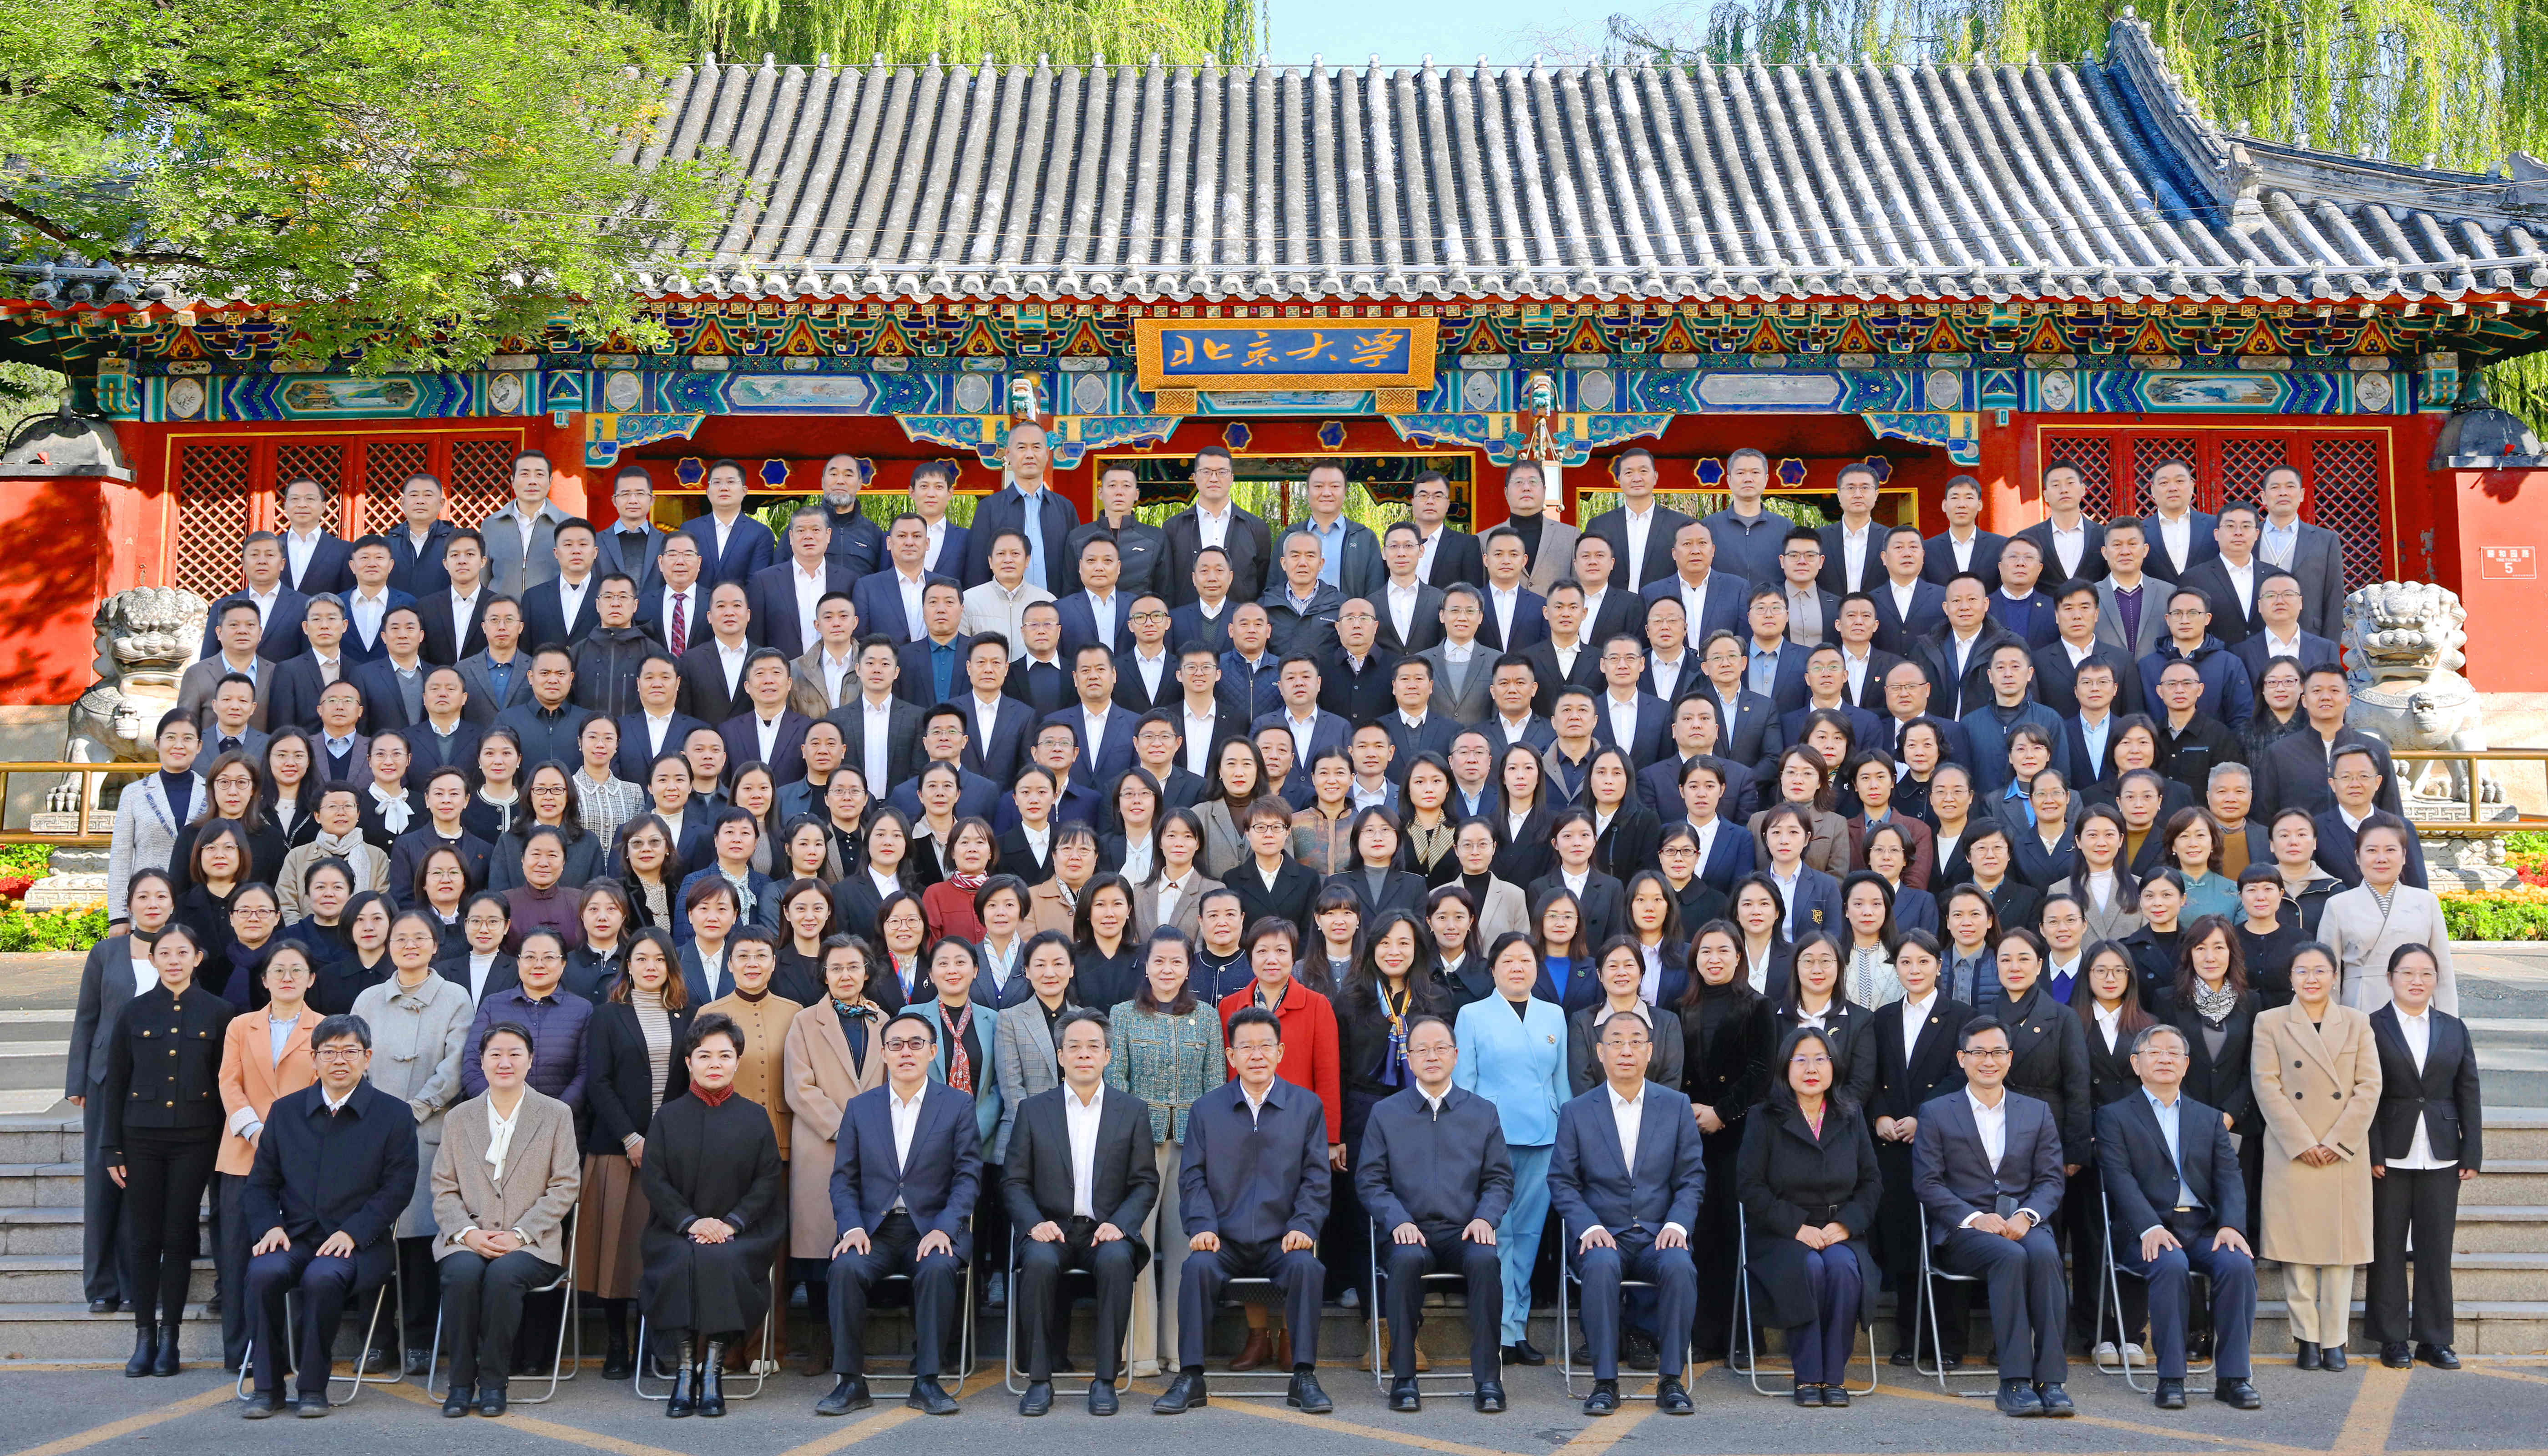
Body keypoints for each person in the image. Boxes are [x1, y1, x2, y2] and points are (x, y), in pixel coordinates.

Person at [1151, 1006, 1335, 1416]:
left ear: (1280, 1052)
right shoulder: (1207, 1109)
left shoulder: (1306, 1107)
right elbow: (1193, 1177)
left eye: (1265, 1046)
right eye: (1246, 1047)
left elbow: (1316, 1178)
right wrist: (1203, 1226)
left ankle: (1304, 1376)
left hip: (1282, 1239)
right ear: (1231, 1056)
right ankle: (1191, 1377)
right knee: (1196, 1268)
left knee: (1307, 1268)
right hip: (1224, 1240)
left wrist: (1304, 1225)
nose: (1256, 1055)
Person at [238, 1013, 418, 1418]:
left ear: (367, 1058)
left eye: (350, 1051)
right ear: (314, 1058)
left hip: (361, 1244)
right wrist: (270, 1226)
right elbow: (261, 1183)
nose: (340, 1060)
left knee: (323, 1277)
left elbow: (397, 1189)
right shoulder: (285, 1112)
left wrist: (353, 1233)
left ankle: (312, 1388)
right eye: (329, 1052)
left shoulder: (393, 1115)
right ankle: (267, 1387)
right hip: (296, 1237)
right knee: (263, 1272)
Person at [819, 1009, 983, 1416]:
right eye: (896, 1045)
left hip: (931, 1228)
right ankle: (850, 1383)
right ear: (884, 1054)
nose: (906, 1052)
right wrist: (851, 1227)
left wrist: (946, 1228)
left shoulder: (957, 1105)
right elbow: (843, 1179)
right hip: (873, 1231)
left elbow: (967, 1177)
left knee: (938, 1268)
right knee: (845, 1268)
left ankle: (927, 1381)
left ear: (932, 1052)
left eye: (915, 1044)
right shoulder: (860, 1108)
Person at [2096, 1021, 2263, 1410]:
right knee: (2170, 1264)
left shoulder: (2209, 1118)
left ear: (2186, 1065)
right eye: (2155, 1052)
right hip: (2144, 1232)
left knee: (2238, 1263)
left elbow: (2230, 1178)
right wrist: (2149, 1226)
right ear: (2136, 1064)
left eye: (2174, 1053)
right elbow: (2119, 1180)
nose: (2165, 1059)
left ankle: (2234, 1378)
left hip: (2201, 1229)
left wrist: (2231, 1226)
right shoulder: (2114, 1116)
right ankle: (2171, 1377)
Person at [1913, 1016, 2074, 1418]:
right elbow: (1927, 1183)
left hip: (2022, 1222)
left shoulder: (2036, 1111)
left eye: (1998, 1052)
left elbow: (2051, 1179)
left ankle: (2051, 1381)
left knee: (2045, 1255)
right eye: (1979, 1052)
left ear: (2010, 1058)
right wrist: (1974, 1218)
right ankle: (2014, 1382)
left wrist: (2028, 1215)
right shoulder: (1936, 1112)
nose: (1989, 1061)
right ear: (1962, 1058)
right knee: (2011, 1256)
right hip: (1964, 1232)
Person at [1003, 1007, 1160, 1416]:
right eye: (1074, 1047)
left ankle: (1105, 1380)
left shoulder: (1132, 1110)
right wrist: (1033, 1224)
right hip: (1050, 1229)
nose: (1084, 1054)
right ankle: (1039, 1381)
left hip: (1105, 1230)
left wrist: (1121, 1224)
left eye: (1094, 1046)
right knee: (1038, 1263)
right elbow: (1014, 1181)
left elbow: (1145, 1182)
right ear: (1060, 1056)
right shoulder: (1034, 1110)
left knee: (1117, 1261)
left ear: (1108, 1055)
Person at [1355, 1012, 1512, 1412]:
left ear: (1455, 1056)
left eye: (1440, 1048)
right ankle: (1404, 1379)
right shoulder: (1387, 1113)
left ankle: (1488, 1380)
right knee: (1407, 1260)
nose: (1431, 1056)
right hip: (1409, 1230)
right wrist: (1398, 1220)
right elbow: (1370, 1181)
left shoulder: (1482, 1112)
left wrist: (1485, 1217)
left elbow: (1499, 1179)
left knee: (1486, 1260)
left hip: (1465, 1230)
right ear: (1408, 1059)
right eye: (1421, 1050)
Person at [1548, 1013, 1704, 1416]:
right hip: (1603, 1234)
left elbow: (1691, 1177)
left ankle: (1671, 1381)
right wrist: (1588, 1227)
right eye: (1616, 1041)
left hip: (1657, 1233)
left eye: (1636, 1041)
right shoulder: (1577, 1111)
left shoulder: (1676, 1106)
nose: (1626, 1050)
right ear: (1600, 1053)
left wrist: (1677, 1224)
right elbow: (1562, 1182)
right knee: (1600, 1265)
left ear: (1650, 1052)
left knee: (1680, 1267)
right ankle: (1605, 1382)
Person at [100, 923, 234, 1377]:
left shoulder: (220, 1012)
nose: (174, 960)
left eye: (182, 952)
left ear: (198, 958)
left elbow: (225, 1083)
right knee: (143, 1237)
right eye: (165, 953)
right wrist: (111, 1147)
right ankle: (144, 1336)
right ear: (153, 959)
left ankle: (171, 1337)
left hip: (196, 1138)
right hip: (140, 1137)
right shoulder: (134, 1011)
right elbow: (116, 1083)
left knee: (178, 1236)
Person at [430, 1023, 582, 1417]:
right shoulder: (459, 1117)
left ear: (531, 1061)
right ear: (481, 1062)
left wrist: (521, 1234)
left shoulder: (556, 1114)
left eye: (515, 1054)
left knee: (503, 1277)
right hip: (467, 1239)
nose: (505, 1062)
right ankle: (459, 1384)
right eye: (495, 1054)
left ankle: (494, 1383)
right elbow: (443, 1188)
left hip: (532, 1243)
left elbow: (565, 1185)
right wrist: (467, 1233)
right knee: (461, 1275)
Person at [352, 910, 475, 1374]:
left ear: (435, 945)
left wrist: (416, 1108)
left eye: (419, 937)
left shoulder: (455, 998)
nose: (409, 944)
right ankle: (376, 1338)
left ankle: (421, 1339)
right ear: (388, 945)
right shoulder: (368, 999)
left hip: (429, 1133)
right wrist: (376, 1115)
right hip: (370, 1133)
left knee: (421, 1241)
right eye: (400, 937)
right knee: (371, 1234)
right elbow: (354, 1058)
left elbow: (456, 1063)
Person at [2252, 942, 2381, 1370]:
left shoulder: (2358, 1023)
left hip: (2344, 1151)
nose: (2311, 979)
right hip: (2292, 1148)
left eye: (2320, 970)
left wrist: (2337, 1141)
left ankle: (2335, 1340)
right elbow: (2266, 1085)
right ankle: (2307, 1337)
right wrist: (2303, 1142)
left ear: (2335, 976)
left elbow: (2369, 1087)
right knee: (2298, 1248)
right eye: (2302, 971)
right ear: (2290, 978)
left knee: (2342, 1253)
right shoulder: (2270, 1022)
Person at [1738, 1025, 1882, 1407]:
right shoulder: (1764, 1117)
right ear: (1785, 1068)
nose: (1811, 1068)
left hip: (1839, 1230)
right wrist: (1795, 1227)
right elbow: (1750, 1186)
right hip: (1781, 1233)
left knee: (1843, 1269)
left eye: (1821, 1059)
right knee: (1811, 1269)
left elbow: (1871, 1182)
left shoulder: (1850, 1115)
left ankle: (1834, 1377)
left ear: (1835, 1066)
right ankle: (1807, 1376)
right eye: (1800, 1060)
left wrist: (1847, 1224)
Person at [1105, 933, 1223, 1377]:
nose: (1168, 969)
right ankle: (1139, 1352)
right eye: (1160, 961)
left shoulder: (1207, 1017)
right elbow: (1116, 1084)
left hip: (1192, 1148)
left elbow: (1215, 1086)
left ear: (1188, 967)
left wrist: (1211, 1148)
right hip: (1140, 1147)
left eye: (1177, 961)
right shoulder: (1123, 1015)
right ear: (1147, 965)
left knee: (1185, 1250)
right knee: (1137, 1246)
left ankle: (1179, 1349)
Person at [2367, 942, 2481, 1371]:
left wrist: (2472, 1149)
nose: (2417, 981)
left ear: (2436, 980)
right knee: (2387, 1248)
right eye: (2407, 973)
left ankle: (2435, 1339)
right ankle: (2392, 1338)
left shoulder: (2454, 1028)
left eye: (2426, 974)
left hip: (2442, 1153)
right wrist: (2372, 1149)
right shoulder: (2371, 1026)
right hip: (2389, 1155)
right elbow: (2366, 1094)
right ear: (2391, 978)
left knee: (2436, 1248)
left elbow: (2468, 1090)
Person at [212, 943, 322, 1369]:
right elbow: (229, 1083)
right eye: (279, 970)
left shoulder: (325, 1028)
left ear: (311, 979)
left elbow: (324, 1088)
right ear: (265, 979)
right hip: (243, 1153)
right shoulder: (241, 1026)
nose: (288, 977)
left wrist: (282, 1140)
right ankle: (240, 1352)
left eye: (297, 970)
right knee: (238, 1256)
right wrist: (256, 1131)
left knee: (289, 1259)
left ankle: (284, 1351)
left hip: (302, 1160)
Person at [2322, 821, 2457, 1014]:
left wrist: (2448, 1021)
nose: (2381, 859)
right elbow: (2328, 973)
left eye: (2390, 850)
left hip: (2417, 1006)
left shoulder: (2427, 902)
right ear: (2358, 857)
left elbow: (2443, 970)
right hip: (2360, 1008)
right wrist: (2331, 1021)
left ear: (2404, 856)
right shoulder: (2337, 905)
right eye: (2372, 850)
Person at [108, 711, 203, 933]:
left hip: (199, 907)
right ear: (157, 744)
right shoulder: (134, 793)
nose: (179, 745)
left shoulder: (212, 791)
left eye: (188, 738)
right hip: (149, 908)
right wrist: (118, 917)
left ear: (199, 746)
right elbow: (121, 857)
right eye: (171, 737)